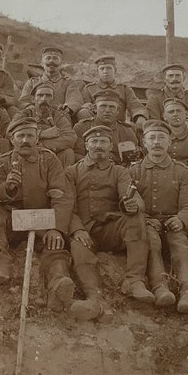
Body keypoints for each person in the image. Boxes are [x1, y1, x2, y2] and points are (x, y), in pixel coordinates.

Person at [0, 117, 75, 309]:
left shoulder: (50, 159)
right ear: (12, 139)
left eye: (29, 136)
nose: (25, 140)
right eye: (20, 136)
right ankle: (3, 262)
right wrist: (7, 188)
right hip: (13, 221)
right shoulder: (3, 162)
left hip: (41, 219)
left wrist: (56, 228)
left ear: (37, 139)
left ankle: (59, 284)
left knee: (54, 246)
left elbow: (61, 195)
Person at [66, 125, 150, 319]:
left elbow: (133, 195)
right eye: (94, 142)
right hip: (85, 231)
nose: (98, 146)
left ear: (111, 145)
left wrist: (133, 205)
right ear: (86, 145)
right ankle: (95, 299)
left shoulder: (120, 171)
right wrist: (77, 229)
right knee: (79, 251)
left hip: (110, 229)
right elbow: (66, 206)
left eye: (103, 141)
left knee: (136, 219)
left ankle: (134, 280)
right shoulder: (72, 171)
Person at [129, 120, 188, 313]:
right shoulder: (134, 170)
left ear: (170, 143)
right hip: (148, 223)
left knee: (181, 246)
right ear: (144, 143)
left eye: (162, 138)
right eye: (152, 138)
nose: (157, 142)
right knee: (151, 242)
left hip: (173, 222)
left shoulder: (182, 171)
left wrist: (181, 219)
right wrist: (143, 219)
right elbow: (129, 203)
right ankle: (160, 288)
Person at [12, 82, 76, 167]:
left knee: (68, 153)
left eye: (48, 95)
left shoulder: (58, 117)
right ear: (33, 99)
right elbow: (10, 132)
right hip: (27, 151)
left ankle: (64, 179)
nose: (44, 99)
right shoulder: (24, 114)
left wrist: (44, 144)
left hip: (52, 154)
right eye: (40, 95)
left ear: (53, 100)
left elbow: (70, 137)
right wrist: (41, 134)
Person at [73, 89, 140, 164]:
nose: (107, 110)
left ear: (118, 110)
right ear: (95, 108)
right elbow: (77, 155)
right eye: (103, 106)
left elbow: (134, 159)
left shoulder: (127, 131)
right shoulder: (82, 127)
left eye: (112, 107)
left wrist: (134, 155)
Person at [78, 55, 148, 126]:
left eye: (109, 68)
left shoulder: (124, 89)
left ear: (115, 70)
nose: (105, 72)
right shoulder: (89, 89)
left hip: (119, 127)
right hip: (96, 128)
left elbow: (135, 105)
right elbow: (84, 108)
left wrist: (140, 116)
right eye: (102, 69)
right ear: (97, 72)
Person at [146, 64, 188, 136]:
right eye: (171, 76)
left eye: (178, 75)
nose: (174, 79)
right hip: (165, 133)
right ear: (164, 79)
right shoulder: (155, 97)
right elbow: (153, 121)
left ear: (183, 78)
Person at [19, 46, 83, 121]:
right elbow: (24, 100)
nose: (51, 61)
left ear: (61, 64)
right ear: (41, 63)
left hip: (60, 117)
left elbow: (74, 98)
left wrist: (67, 107)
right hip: (35, 116)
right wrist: (31, 107)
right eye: (48, 58)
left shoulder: (69, 83)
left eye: (55, 58)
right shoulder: (32, 82)